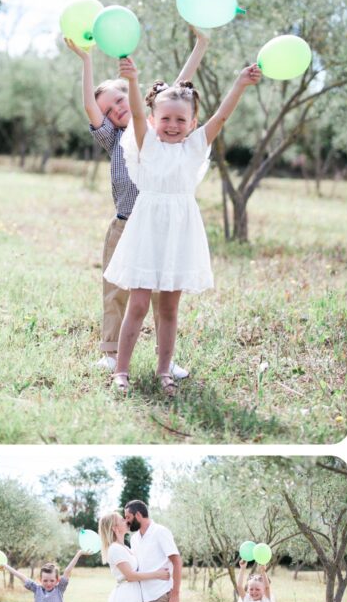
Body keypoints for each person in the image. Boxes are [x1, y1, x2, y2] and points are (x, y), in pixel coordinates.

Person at [104, 60, 262, 395]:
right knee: (138, 302)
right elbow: (134, 113)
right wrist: (132, 80)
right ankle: (121, 370)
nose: (172, 125)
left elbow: (220, 117)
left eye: (180, 119)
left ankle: (164, 371)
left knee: (170, 306)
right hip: (146, 229)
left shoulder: (195, 147)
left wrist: (239, 83)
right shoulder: (147, 144)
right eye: (165, 119)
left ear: (192, 123)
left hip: (179, 232)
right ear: (153, 120)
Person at [64, 27, 208, 379]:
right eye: (109, 111)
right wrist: (86, 61)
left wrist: (201, 44)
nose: (116, 110)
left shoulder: (158, 125)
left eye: (118, 100)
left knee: (163, 296)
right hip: (126, 224)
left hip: (164, 227)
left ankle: (166, 359)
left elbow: (182, 83)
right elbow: (88, 106)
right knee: (116, 290)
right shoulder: (115, 140)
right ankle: (112, 354)